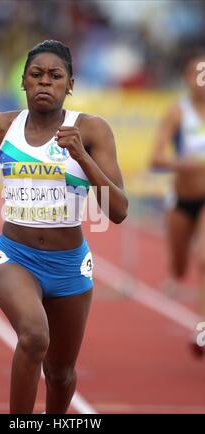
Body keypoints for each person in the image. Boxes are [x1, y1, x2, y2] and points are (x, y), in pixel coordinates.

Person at [0, 40, 128, 413]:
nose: (44, 82)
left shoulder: (92, 131)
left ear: (70, 85)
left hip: (69, 265)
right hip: (15, 257)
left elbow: (119, 210)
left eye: (55, 76)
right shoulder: (1, 125)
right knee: (33, 337)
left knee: (61, 374)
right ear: (23, 82)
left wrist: (81, 155)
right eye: (36, 75)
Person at [150, 48, 205, 358]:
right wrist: (180, 163)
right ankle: (176, 269)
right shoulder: (177, 112)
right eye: (197, 73)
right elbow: (155, 158)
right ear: (187, 78)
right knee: (181, 266)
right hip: (182, 200)